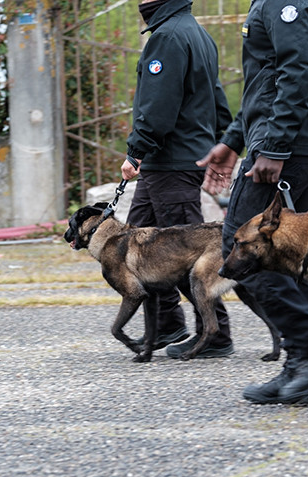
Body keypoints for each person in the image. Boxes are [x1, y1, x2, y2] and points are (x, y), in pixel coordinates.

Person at [197, 0, 308, 403]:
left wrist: (275, 146)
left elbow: (297, 71)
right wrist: (233, 141)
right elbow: (265, 81)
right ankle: (305, 365)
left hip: (293, 144)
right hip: (298, 141)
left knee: (245, 248)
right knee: (288, 255)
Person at [121, 0, 235, 359]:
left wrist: (136, 149)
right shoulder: (196, 33)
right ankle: (168, 326)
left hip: (170, 160)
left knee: (186, 251)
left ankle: (215, 334)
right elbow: (216, 96)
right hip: (172, 159)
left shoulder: (168, 36)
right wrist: (220, 140)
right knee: (138, 250)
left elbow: (158, 105)